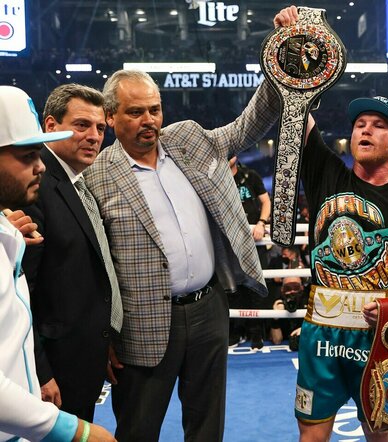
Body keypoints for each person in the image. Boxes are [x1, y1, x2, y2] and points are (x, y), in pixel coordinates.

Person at [83, 11, 283, 437]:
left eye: (154, 109)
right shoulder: (97, 176)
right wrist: (102, 339)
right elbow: (89, 271)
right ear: (112, 116)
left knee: (207, 425)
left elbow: (250, 124)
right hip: (141, 325)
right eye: (136, 112)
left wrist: (280, 61)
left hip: (209, 309)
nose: (149, 120)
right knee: (138, 429)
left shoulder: (189, 140)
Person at [280, 7, 388, 442]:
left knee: (380, 433)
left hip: (383, 333)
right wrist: (295, 44)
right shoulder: (326, 172)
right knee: (311, 436)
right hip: (321, 333)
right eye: (359, 124)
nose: (366, 131)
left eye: (378, 126)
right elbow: (297, 111)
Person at [0, 85, 115, 441]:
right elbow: (31, 293)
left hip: (57, 370)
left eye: (100, 128)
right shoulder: (34, 192)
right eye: (27, 155)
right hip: (46, 374)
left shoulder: (78, 183)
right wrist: (43, 372)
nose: (39, 166)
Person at [228, 155, 271, 348]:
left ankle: (256, 333)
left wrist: (261, 223)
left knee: (255, 286)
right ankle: (235, 331)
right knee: (233, 287)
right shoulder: (217, 178)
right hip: (230, 241)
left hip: (254, 238)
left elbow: (266, 202)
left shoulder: (250, 176)